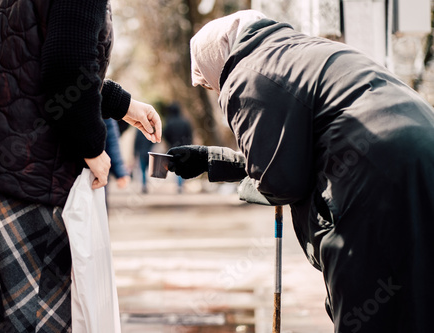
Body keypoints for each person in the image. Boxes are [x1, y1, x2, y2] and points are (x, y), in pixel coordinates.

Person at [167, 10, 434, 333]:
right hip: (418, 154)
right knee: (416, 293)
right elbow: (294, 148)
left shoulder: (244, 75)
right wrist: (213, 160)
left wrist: (251, 182)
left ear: (215, 59)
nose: (213, 89)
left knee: (367, 306)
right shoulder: (296, 50)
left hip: (371, 175)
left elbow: (280, 182)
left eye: (209, 82)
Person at [0, 0, 161, 332]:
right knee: (37, 318)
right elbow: (65, 67)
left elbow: (23, 58)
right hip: (23, 172)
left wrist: (122, 103)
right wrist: (91, 146)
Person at [163, 102, 193, 193]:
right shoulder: (185, 122)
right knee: (182, 165)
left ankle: (179, 185)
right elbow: (189, 134)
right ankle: (181, 184)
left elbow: (165, 134)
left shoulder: (169, 122)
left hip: (173, 147)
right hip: (184, 147)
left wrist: (169, 144)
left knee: (177, 165)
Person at [134, 129, 154, 193]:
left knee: (142, 170)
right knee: (148, 170)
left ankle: (144, 185)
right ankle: (146, 184)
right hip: (149, 153)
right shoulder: (150, 130)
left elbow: (136, 143)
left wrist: (135, 153)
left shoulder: (138, 131)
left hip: (142, 153)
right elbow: (152, 142)